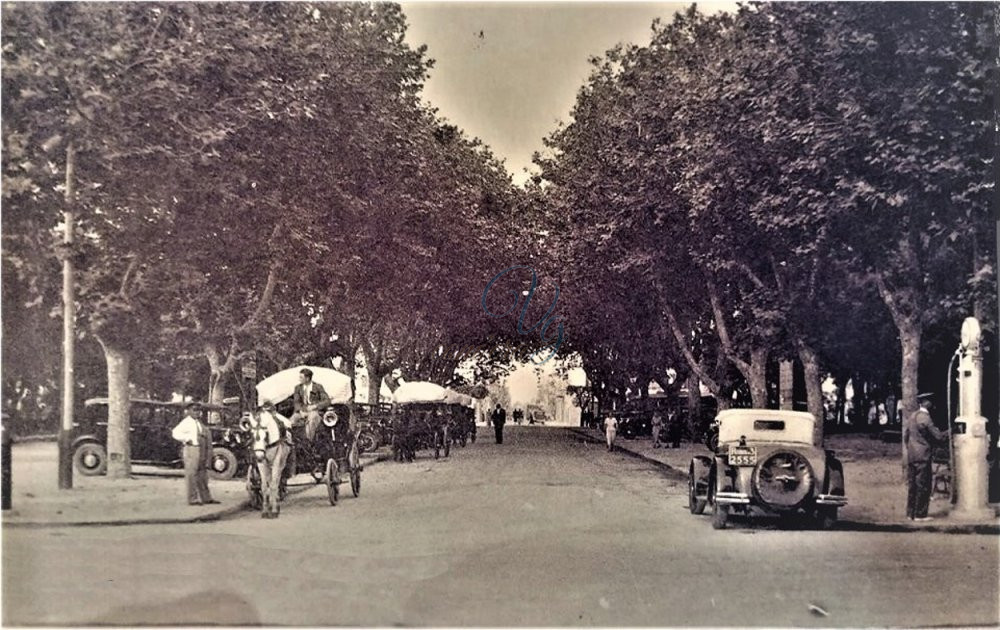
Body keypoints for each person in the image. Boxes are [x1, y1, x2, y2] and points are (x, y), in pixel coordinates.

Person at [904, 393, 949, 521]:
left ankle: (910, 513)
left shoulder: (912, 416)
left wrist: (911, 448)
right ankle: (920, 514)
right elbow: (938, 436)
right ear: (925, 402)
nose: (932, 404)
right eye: (930, 401)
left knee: (913, 485)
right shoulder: (925, 418)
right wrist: (951, 431)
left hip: (912, 455)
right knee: (923, 484)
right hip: (923, 455)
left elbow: (906, 436)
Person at [171, 403, 219, 506]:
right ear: (189, 411)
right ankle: (192, 499)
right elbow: (175, 433)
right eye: (194, 410)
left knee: (202, 475)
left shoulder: (198, 422)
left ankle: (206, 497)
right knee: (192, 474)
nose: (197, 412)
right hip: (192, 449)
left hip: (201, 449)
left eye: (198, 410)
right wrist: (187, 439)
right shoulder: (186, 422)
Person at [291, 368, 331, 442]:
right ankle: (292, 443)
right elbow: (296, 402)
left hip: (315, 412)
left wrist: (315, 406)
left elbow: (327, 401)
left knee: (312, 420)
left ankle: (308, 442)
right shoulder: (298, 388)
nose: (299, 379)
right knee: (291, 421)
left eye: (301, 377)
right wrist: (300, 411)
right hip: (302, 411)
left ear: (307, 378)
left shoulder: (318, 387)